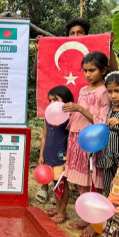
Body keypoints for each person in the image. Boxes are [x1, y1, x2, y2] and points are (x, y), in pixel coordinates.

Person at [62, 51, 111, 237]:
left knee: (93, 181)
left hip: (93, 141)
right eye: (85, 71)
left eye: (93, 70)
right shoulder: (83, 90)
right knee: (82, 182)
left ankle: (95, 222)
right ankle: (86, 216)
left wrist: (79, 108)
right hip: (77, 138)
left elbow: (102, 121)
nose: (88, 74)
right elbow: (78, 115)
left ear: (104, 69)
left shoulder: (105, 92)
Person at [32, 18, 117, 79]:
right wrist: (38, 51)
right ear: (68, 36)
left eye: (80, 32)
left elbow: (114, 72)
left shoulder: (95, 53)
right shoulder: (59, 52)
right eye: (72, 33)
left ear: (86, 34)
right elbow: (36, 74)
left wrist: (109, 45)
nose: (76, 36)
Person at [39, 86, 73, 224]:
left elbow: (72, 139)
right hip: (49, 154)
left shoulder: (70, 117)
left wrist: (68, 158)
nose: (52, 102)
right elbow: (44, 136)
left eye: (56, 99)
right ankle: (57, 208)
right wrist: (41, 155)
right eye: (50, 100)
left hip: (62, 157)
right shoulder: (48, 116)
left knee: (62, 184)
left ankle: (62, 212)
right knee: (54, 182)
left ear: (65, 99)